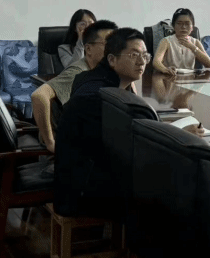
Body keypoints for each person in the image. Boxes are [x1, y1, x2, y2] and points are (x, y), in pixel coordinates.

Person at [55, 27, 150, 217]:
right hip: (82, 195)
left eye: (145, 56)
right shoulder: (101, 97)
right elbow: (129, 147)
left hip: (81, 181)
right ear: (112, 59)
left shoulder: (90, 79)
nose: (142, 62)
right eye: (134, 55)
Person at [31, 20, 117, 153]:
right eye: (107, 44)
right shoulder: (78, 72)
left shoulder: (105, 70)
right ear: (88, 49)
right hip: (69, 144)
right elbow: (38, 96)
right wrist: (50, 143)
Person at [152, 8, 210, 75]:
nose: (183, 27)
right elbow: (156, 62)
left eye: (187, 24)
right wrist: (165, 70)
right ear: (173, 26)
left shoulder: (195, 42)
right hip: (170, 77)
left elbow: (208, 63)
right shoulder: (166, 41)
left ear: (192, 27)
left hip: (190, 79)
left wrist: (192, 47)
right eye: (179, 23)